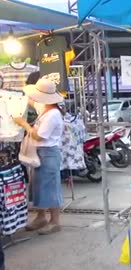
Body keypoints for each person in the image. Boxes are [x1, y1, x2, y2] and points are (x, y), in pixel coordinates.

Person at [13, 78, 64, 235]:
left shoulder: (53, 115)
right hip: (41, 152)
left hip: (48, 152)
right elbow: (32, 101)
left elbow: (39, 137)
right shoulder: (45, 107)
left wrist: (24, 124)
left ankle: (55, 221)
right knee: (38, 186)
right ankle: (41, 216)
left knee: (50, 187)